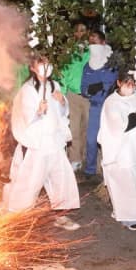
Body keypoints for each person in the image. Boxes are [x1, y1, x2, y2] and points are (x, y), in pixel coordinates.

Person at [2, 54, 80, 230]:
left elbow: (62, 112)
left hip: (54, 141)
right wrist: (37, 111)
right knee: (30, 180)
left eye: (47, 63)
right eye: (41, 64)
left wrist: (62, 102)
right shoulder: (27, 90)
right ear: (32, 68)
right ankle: (18, 215)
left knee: (61, 178)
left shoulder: (54, 85)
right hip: (38, 143)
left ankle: (61, 215)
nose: (46, 67)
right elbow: (25, 114)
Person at [97, 71, 136, 231]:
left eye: (133, 83)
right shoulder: (111, 102)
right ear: (119, 83)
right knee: (125, 184)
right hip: (121, 151)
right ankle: (130, 218)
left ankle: (130, 212)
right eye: (127, 82)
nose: (130, 86)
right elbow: (119, 126)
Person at [80, 30, 117, 184]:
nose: (92, 44)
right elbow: (83, 88)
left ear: (103, 42)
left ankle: (111, 172)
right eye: (91, 42)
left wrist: (103, 85)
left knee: (110, 141)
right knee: (91, 140)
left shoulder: (112, 62)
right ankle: (90, 170)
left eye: (95, 41)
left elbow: (113, 82)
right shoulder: (88, 66)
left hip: (110, 107)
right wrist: (89, 90)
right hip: (95, 107)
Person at [60, 22, 90, 173]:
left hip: (89, 96)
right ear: (74, 34)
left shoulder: (91, 51)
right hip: (72, 95)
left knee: (88, 129)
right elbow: (63, 72)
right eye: (77, 31)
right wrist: (62, 93)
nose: (80, 33)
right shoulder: (69, 52)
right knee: (74, 129)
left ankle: (85, 159)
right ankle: (75, 160)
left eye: (83, 30)